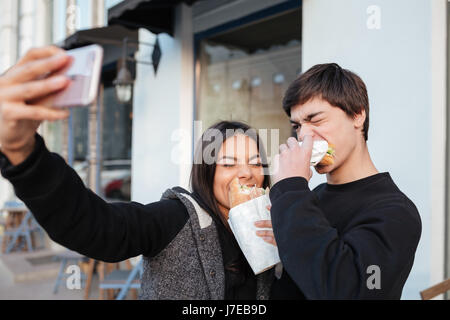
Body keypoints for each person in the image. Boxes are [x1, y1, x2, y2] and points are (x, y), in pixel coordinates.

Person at [0, 46, 277, 299]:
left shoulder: (272, 223)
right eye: (229, 164)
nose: (246, 173)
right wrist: (24, 154)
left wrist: (288, 244)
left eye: (254, 162)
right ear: (206, 173)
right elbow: (97, 227)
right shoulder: (175, 218)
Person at [254, 63, 422, 299]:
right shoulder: (311, 198)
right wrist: (287, 237)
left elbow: (344, 290)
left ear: (357, 115)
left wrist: (291, 187)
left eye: (316, 120)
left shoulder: (396, 212)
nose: (303, 135)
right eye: (297, 126)